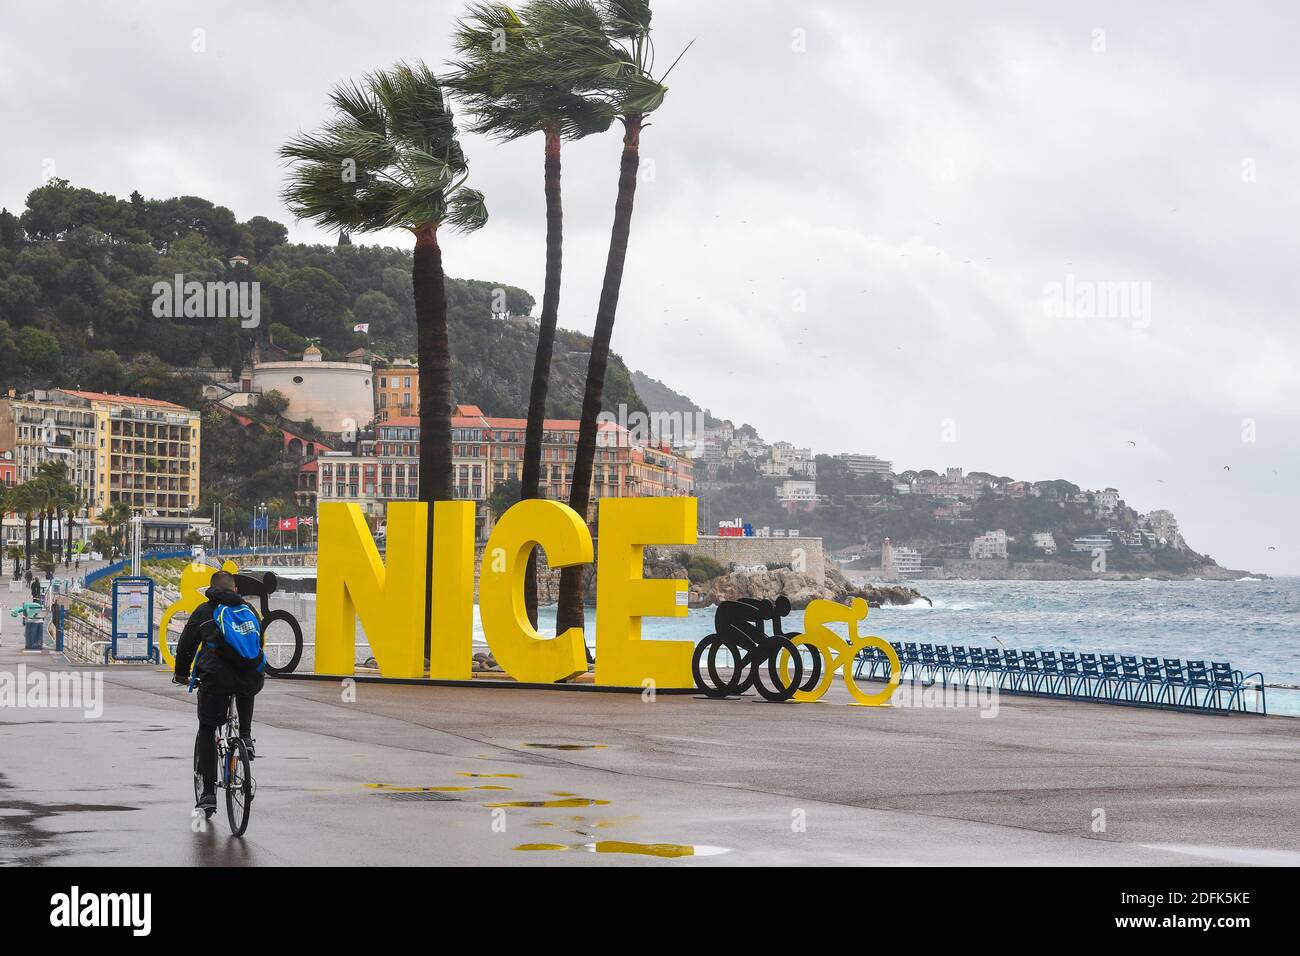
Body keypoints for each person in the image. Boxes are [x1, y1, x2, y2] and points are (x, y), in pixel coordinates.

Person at [172, 571, 266, 812]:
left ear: (211, 589)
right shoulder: (249, 611)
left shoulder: (205, 612)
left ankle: (209, 794)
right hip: (250, 676)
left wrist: (181, 673)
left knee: (207, 727)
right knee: (245, 687)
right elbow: (258, 643)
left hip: (216, 679)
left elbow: (186, 646)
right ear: (235, 589)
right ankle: (245, 736)